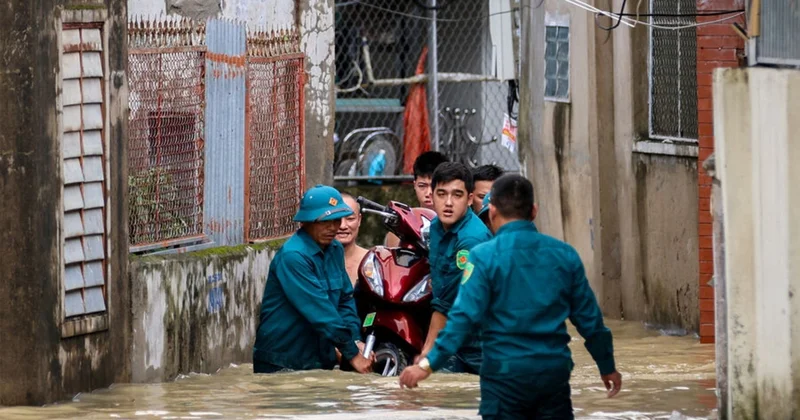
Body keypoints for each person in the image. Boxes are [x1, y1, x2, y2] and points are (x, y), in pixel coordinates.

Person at [399, 174, 623, 419]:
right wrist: (607, 366)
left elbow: (461, 320)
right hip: (552, 380)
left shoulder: (483, 257)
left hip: (503, 382)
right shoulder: (565, 256)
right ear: (534, 211)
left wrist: (426, 365)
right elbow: (591, 323)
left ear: (492, 212)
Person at [253, 185, 373, 374]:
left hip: (318, 360)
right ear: (306, 222)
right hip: (282, 361)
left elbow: (344, 300)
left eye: (336, 220)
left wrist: (356, 341)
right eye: (325, 221)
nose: (334, 228)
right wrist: (352, 354)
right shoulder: (293, 256)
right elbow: (321, 312)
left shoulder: (335, 249)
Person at [416, 162, 492, 374]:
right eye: (442, 194)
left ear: (469, 199)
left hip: (480, 344)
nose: (448, 203)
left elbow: (448, 302)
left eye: (457, 195)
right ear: (432, 195)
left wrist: (428, 350)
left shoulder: (471, 240)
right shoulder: (436, 227)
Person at [385, 151, 449, 247]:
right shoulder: (401, 228)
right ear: (414, 185)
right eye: (422, 186)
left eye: (433, 186)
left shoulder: (456, 225)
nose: (428, 193)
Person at [337, 193, 368, 286]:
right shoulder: (313, 262)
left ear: (359, 220)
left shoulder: (372, 261)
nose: (343, 226)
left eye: (350, 219)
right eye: (336, 219)